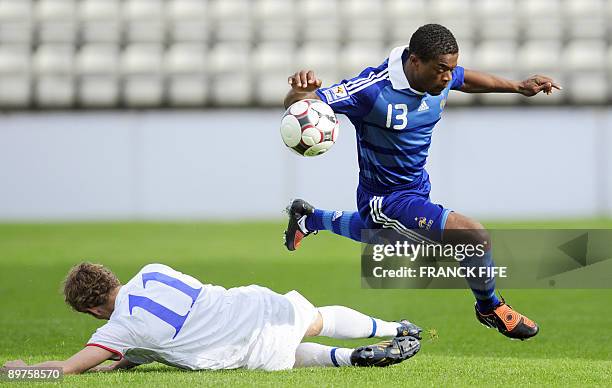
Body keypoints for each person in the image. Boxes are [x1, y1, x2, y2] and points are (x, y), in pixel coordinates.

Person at [283, 24, 558, 341]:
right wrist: (299, 90)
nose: (446, 78)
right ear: (415, 62)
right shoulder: (372, 90)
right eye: (441, 70)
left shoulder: (440, 75)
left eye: (449, 70)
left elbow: (464, 79)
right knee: (472, 236)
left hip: (416, 189)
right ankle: (491, 307)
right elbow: (299, 107)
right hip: (384, 199)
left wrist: (517, 86)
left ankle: (310, 218)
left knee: (389, 239)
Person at [2, 262, 422, 374]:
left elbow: (68, 370)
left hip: (245, 350)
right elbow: (162, 329)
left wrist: (22, 373)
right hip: (251, 303)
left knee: (288, 356)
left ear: (91, 310)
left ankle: (351, 360)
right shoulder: (153, 270)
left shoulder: (119, 330)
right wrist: (129, 356)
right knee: (315, 317)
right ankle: (394, 328)